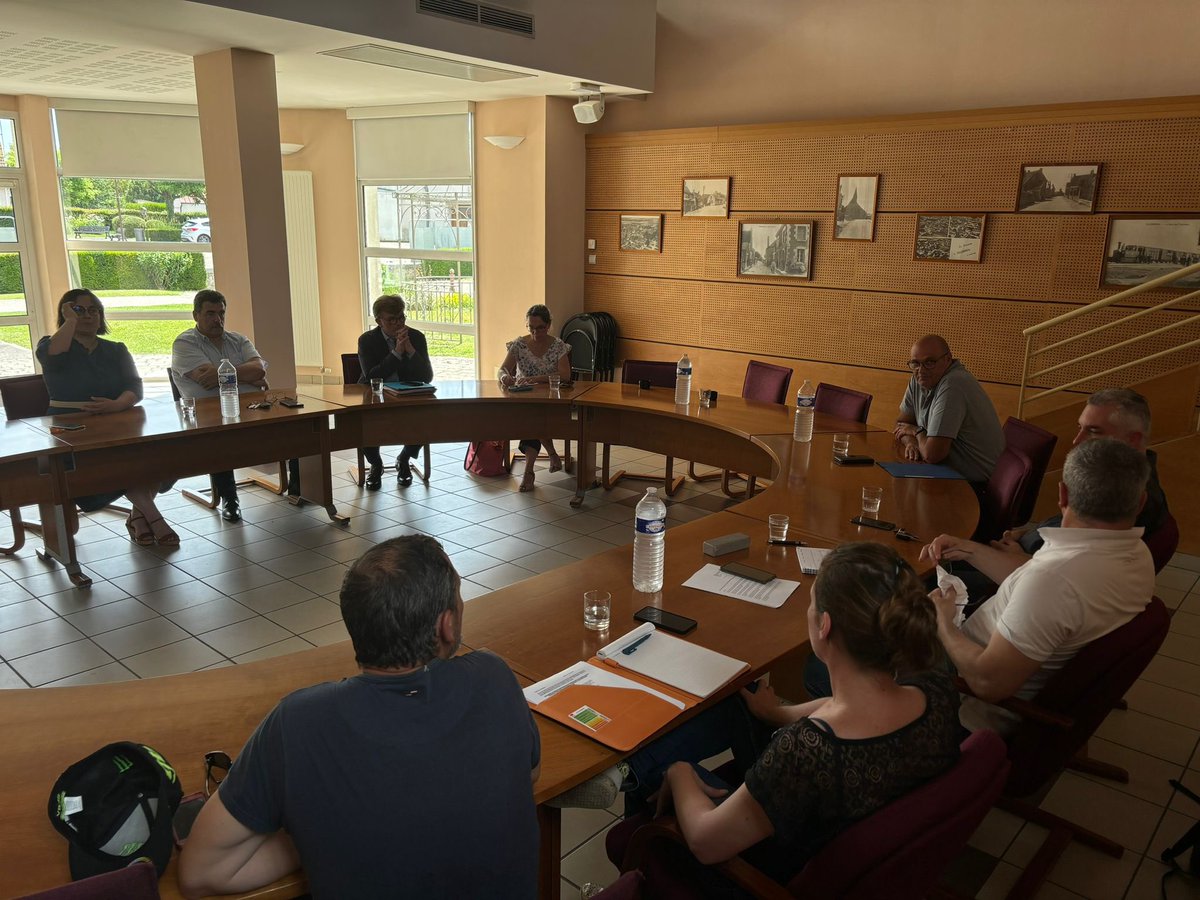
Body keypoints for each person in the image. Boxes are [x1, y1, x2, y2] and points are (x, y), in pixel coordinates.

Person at [177, 535, 541, 899]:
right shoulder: (493, 676)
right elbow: (529, 773)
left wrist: (317, 829)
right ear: (446, 625)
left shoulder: (298, 721)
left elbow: (202, 872)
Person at [616, 543, 962, 893]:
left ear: (824, 625)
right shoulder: (936, 690)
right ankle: (632, 767)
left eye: (811, 604)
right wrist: (778, 714)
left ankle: (635, 832)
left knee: (665, 771)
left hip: (759, 873)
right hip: (840, 831)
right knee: (743, 705)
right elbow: (849, 705)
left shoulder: (808, 751)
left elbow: (707, 843)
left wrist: (680, 774)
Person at [923, 437, 1154, 734]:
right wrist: (970, 550)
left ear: (1063, 495)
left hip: (964, 704)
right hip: (998, 656)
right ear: (1141, 501)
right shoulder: (1134, 554)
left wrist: (943, 623)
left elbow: (987, 684)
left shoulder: (1054, 581)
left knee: (872, 619)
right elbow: (1034, 580)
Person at [930, 387, 1171, 605]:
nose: (1078, 440)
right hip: (1021, 557)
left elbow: (1072, 577)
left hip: (1017, 579)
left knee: (917, 579)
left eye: (1093, 431)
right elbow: (1071, 530)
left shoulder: (1129, 499)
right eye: (1080, 428)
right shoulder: (1110, 476)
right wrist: (1024, 534)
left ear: (1134, 439)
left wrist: (1022, 557)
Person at [35, 289, 179, 546]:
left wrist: (116, 405)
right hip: (69, 426)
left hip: (116, 420)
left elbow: (134, 387)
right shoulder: (51, 345)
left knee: (159, 451)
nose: (88, 316)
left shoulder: (115, 349)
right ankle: (154, 517)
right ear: (66, 314)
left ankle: (138, 514)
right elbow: (54, 353)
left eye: (94, 310)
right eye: (79, 310)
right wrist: (70, 321)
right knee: (115, 461)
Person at [170, 289, 268, 523]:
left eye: (221, 313)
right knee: (221, 438)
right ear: (196, 315)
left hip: (249, 408)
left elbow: (260, 370)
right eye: (210, 314)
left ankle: (298, 487)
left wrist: (225, 374)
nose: (218, 320)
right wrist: (248, 376)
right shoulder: (184, 343)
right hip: (208, 414)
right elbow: (206, 380)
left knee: (294, 423)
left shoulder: (239, 339)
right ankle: (230, 499)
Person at [893, 335, 1005, 485]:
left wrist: (916, 432)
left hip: (976, 486)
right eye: (915, 363)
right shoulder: (919, 379)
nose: (921, 370)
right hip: (944, 473)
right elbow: (901, 425)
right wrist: (911, 443)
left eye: (930, 362)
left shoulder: (954, 384)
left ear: (947, 359)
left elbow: (932, 455)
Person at [357, 294, 434, 489]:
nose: (398, 323)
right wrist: (397, 353)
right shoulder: (367, 340)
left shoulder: (415, 337)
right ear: (378, 321)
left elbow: (427, 375)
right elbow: (372, 375)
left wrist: (409, 349)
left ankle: (405, 458)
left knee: (425, 418)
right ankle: (376, 464)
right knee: (365, 424)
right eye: (391, 319)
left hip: (407, 395)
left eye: (401, 317)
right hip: (375, 396)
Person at [498, 304, 572, 491]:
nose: (535, 332)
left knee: (532, 419)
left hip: (552, 399)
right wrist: (504, 377)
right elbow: (503, 369)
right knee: (531, 417)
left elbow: (565, 375)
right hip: (526, 399)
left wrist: (535, 379)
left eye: (540, 327)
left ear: (548, 326)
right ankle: (536, 466)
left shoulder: (557, 346)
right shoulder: (519, 345)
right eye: (531, 327)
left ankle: (531, 471)